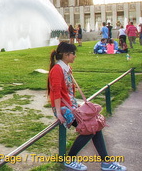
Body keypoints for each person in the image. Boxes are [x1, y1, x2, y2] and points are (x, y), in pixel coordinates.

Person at [48, 42, 127, 171]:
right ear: (66, 54)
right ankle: (70, 159)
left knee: (96, 125)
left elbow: (68, 91)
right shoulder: (57, 69)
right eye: (73, 54)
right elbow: (55, 92)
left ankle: (106, 162)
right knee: (90, 128)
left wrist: (75, 104)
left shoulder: (66, 67)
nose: (75, 56)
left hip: (70, 105)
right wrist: (58, 112)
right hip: (63, 108)